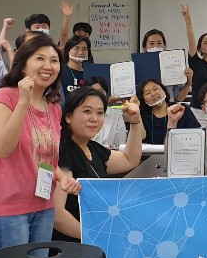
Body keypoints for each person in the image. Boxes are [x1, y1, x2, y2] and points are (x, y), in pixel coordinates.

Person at [0, 34, 80, 250]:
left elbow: (47, 160)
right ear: (23, 66)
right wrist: (23, 102)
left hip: (44, 206)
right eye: (40, 59)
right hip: (9, 210)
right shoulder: (5, 97)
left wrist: (62, 178)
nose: (48, 66)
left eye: (54, 61)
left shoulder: (53, 107)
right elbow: (2, 149)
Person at [52, 87, 145, 241]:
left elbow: (130, 160)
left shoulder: (92, 148)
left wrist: (135, 122)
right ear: (68, 117)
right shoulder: (62, 151)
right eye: (87, 111)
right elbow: (58, 215)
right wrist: (94, 237)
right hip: (74, 245)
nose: (94, 118)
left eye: (100, 113)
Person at [138, 78, 201, 144]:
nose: (153, 94)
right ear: (144, 100)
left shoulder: (181, 109)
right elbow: (139, 137)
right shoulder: (142, 115)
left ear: (164, 90)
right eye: (148, 93)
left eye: (155, 89)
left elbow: (196, 134)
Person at [141, 28, 194, 103]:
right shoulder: (138, 66)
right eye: (151, 43)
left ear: (164, 45)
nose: (155, 46)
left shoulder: (173, 63)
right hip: (145, 108)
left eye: (159, 43)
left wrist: (188, 82)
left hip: (168, 107)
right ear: (145, 47)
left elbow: (179, 98)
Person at [83, 76, 129, 148]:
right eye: (92, 92)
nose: (97, 96)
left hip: (111, 154)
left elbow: (121, 144)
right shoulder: (81, 113)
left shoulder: (116, 115)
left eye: (101, 92)